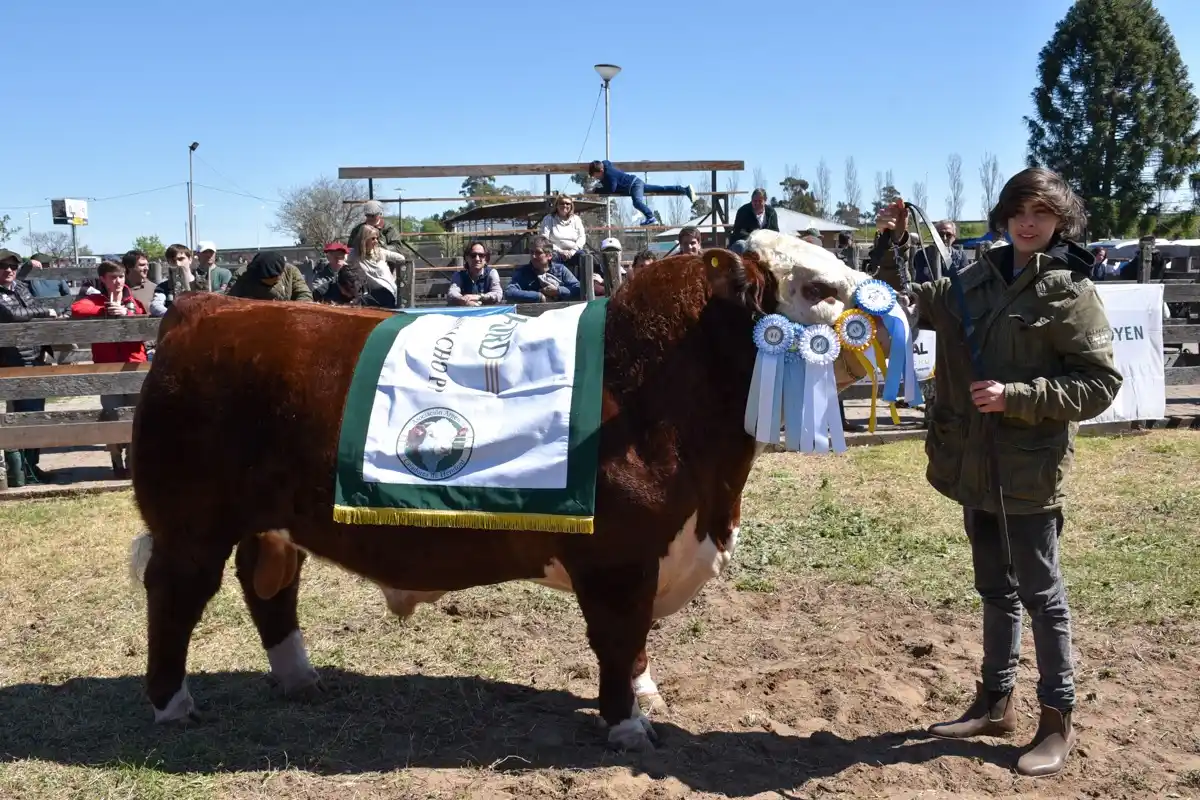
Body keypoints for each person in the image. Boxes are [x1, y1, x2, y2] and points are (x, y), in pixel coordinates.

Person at [894, 168, 1122, 778]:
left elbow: (1100, 384)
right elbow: (903, 303)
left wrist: (1016, 396)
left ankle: (1056, 719)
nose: (1028, 222)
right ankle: (995, 704)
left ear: (1060, 222)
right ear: (1003, 216)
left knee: (1042, 597)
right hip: (973, 463)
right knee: (995, 589)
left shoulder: (1070, 293)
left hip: (1028, 472)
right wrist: (893, 243)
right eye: (1020, 211)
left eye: (1042, 213)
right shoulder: (973, 280)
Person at [69, 260, 148, 479]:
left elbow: (144, 324)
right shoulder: (95, 300)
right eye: (113, 277)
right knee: (111, 414)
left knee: (135, 415)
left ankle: (132, 461)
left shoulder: (134, 302)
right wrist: (105, 309)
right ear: (103, 279)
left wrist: (126, 314)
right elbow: (77, 308)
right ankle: (115, 459)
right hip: (107, 368)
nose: (118, 281)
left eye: (121, 276)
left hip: (134, 365)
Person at [0, 249, 58, 485]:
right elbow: (12, 314)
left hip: (34, 354)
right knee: (21, 415)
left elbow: (29, 308)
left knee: (36, 413)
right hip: (13, 360)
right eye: (3, 266)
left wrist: (36, 313)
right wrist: (45, 311)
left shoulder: (21, 288)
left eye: (13, 267)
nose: (9, 270)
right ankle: (21, 472)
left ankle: (31, 467)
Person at [587, 159, 695, 226]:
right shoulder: (606, 165)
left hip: (634, 186)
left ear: (601, 171)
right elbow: (607, 161)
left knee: (637, 202)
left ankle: (651, 217)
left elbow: (612, 189)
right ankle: (684, 189)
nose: (596, 178)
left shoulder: (610, 176)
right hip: (636, 182)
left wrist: (596, 190)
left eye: (596, 176)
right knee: (660, 188)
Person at [505, 235, 581, 303]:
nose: (533, 256)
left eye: (538, 252)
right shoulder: (524, 272)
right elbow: (509, 292)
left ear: (549, 256)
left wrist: (558, 290)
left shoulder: (560, 270)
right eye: (531, 252)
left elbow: (578, 288)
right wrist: (539, 297)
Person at [348, 224, 406, 307]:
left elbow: (401, 259)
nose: (376, 241)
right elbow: (341, 261)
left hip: (390, 294)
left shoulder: (381, 252)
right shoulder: (354, 254)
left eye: (377, 238)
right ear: (364, 240)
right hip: (373, 296)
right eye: (372, 238)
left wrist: (394, 276)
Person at [225, 251, 313, 302]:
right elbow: (229, 300)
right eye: (268, 282)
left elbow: (304, 294)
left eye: (275, 281)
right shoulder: (241, 275)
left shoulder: (290, 271)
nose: (273, 283)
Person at [447, 241, 503, 306]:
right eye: (473, 255)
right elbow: (452, 293)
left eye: (481, 255)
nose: (477, 259)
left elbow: (498, 294)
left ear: (486, 259)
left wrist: (479, 297)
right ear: (467, 258)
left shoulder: (492, 273)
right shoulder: (458, 275)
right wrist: (464, 300)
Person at [539, 195, 588, 269]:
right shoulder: (548, 219)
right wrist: (561, 251)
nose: (565, 205)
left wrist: (572, 252)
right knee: (552, 257)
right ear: (556, 205)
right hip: (555, 252)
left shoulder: (576, 219)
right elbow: (544, 239)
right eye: (562, 203)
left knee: (586, 257)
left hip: (574, 252)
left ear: (571, 206)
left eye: (567, 204)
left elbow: (582, 237)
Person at [728, 189, 779, 254]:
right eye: (755, 201)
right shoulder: (743, 211)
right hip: (747, 242)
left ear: (765, 200)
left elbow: (775, 231)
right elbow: (738, 232)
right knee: (740, 246)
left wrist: (765, 240)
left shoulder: (771, 213)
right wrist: (755, 238)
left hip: (766, 244)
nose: (757, 203)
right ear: (751, 200)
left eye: (760, 201)